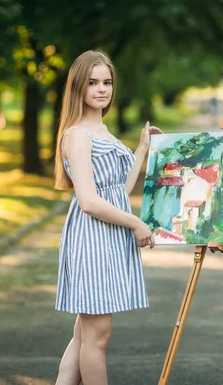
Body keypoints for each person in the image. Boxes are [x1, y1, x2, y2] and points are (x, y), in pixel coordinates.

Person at [53, 50, 163, 385]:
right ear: (78, 88)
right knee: (97, 339)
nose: (102, 89)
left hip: (109, 237)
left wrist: (142, 148)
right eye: (93, 83)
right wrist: (136, 223)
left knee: (84, 336)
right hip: (93, 238)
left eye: (107, 82)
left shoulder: (102, 131)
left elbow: (118, 190)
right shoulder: (77, 135)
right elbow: (88, 201)